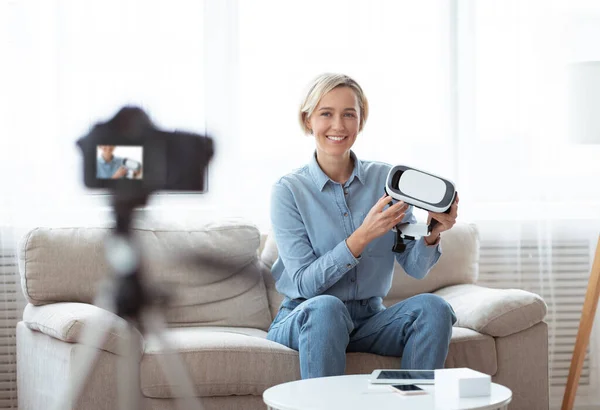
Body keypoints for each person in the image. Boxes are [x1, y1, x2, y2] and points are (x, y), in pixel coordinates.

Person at [267, 73, 459, 380]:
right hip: (307, 316)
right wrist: (362, 236)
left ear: (361, 120)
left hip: (369, 321)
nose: (338, 126)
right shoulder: (289, 191)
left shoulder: (387, 180)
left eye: (349, 114)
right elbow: (304, 284)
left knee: (433, 309)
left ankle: (410, 402)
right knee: (326, 308)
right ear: (308, 121)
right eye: (326, 114)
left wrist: (432, 234)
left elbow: (415, 267)